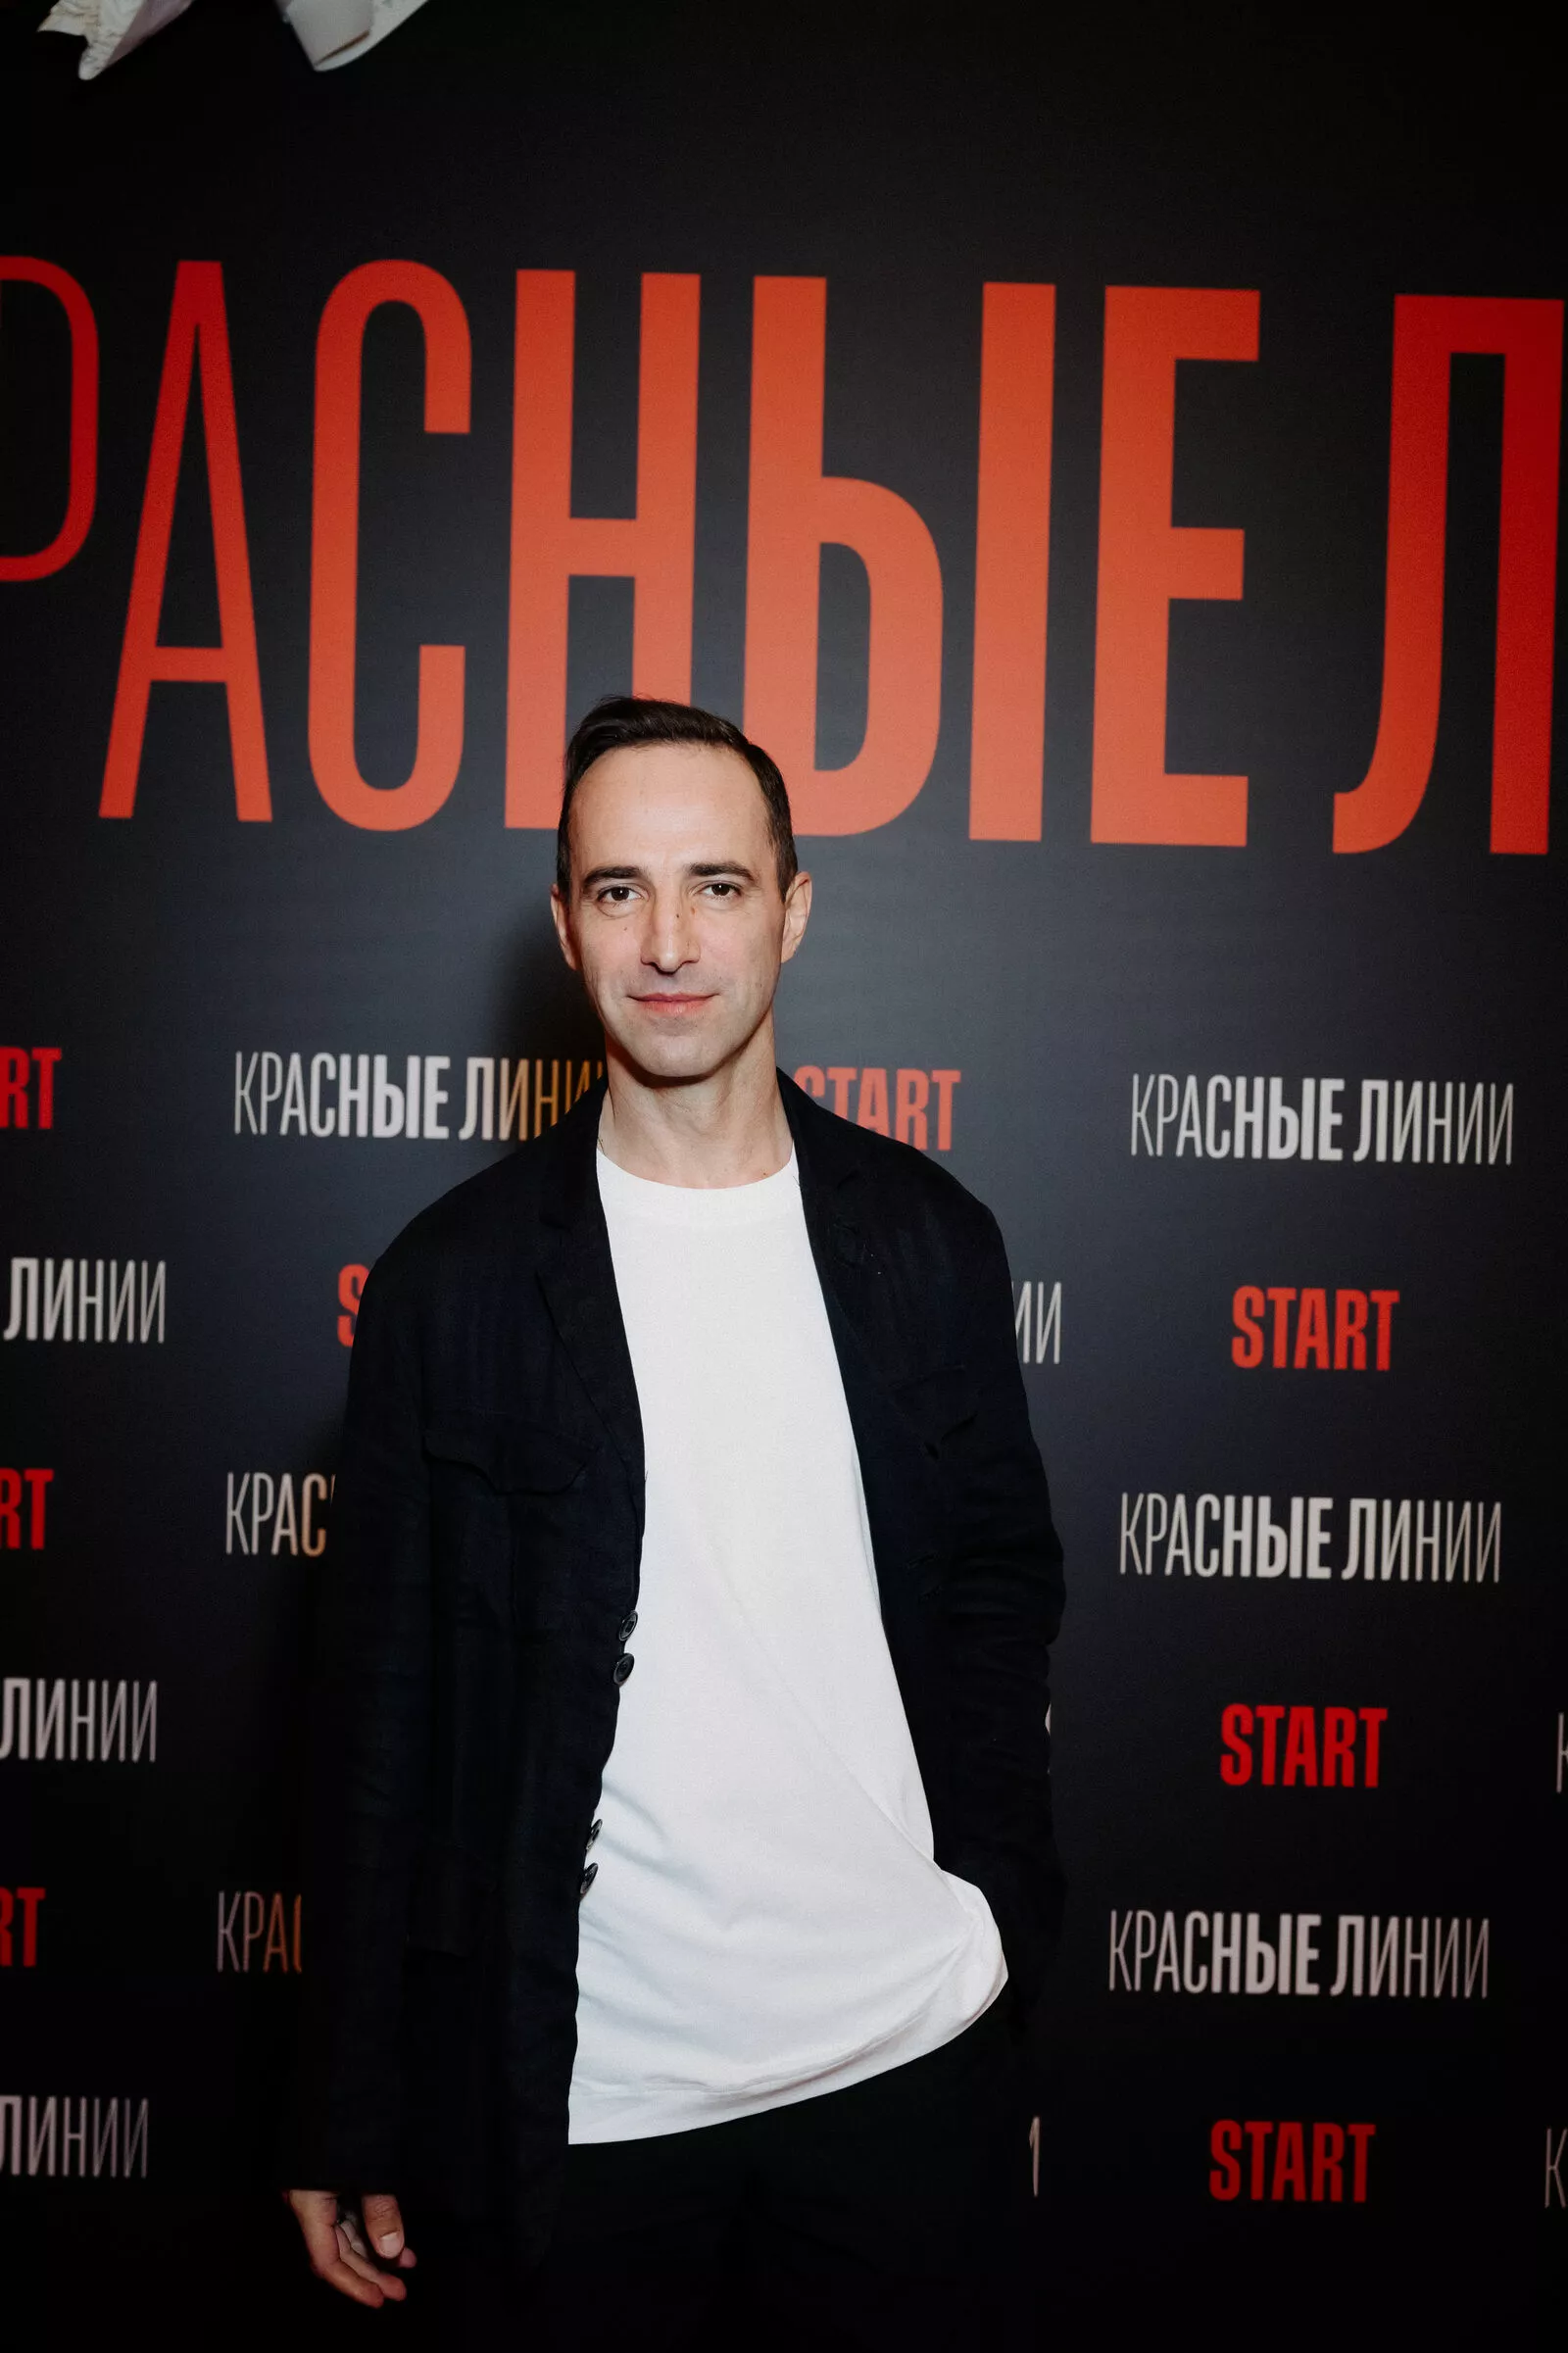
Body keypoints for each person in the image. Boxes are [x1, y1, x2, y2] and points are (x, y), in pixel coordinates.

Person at [282, 695, 1065, 2348]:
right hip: (585, 2108)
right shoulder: (451, 1286)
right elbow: (377, 1718)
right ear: (565, 926)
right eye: (619, 889)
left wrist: (992, 1929)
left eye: (716, 884)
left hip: (901, 2063)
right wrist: (346, 2102)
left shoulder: (932, 1243)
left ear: (793, 906)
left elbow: (1000, 1601)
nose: (669, 942)